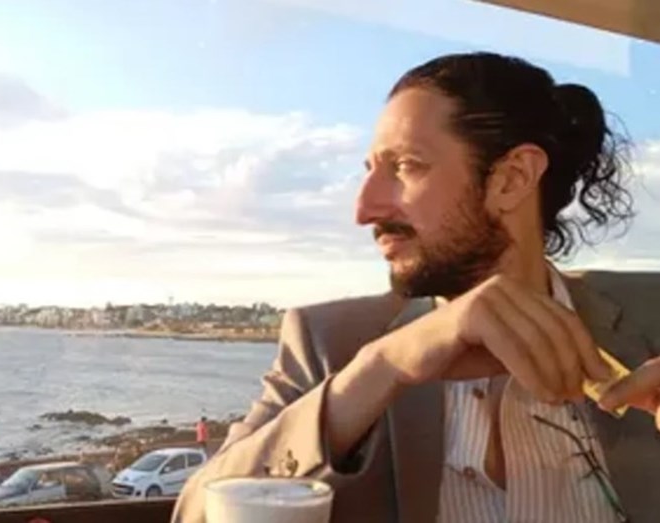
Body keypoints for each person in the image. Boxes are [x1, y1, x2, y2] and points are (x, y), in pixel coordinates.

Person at [172, 51, 660, 523]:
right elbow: (196, 513)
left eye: (405, 166)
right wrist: (382, 368)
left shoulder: (650, 317)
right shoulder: (330, 344)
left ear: (512, 179)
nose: (365, 209)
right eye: (370, 172)